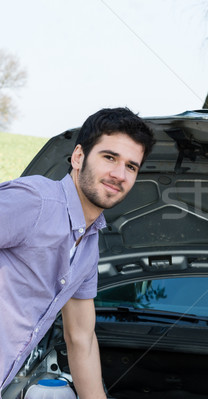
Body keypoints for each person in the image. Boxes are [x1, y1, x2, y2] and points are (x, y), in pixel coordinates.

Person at [0, 107, 154, 398]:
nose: (119, 174)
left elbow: (81, 338)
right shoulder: (35, 201)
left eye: (131, 166)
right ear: (79, 157)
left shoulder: (88, 247)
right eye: (109, 157)